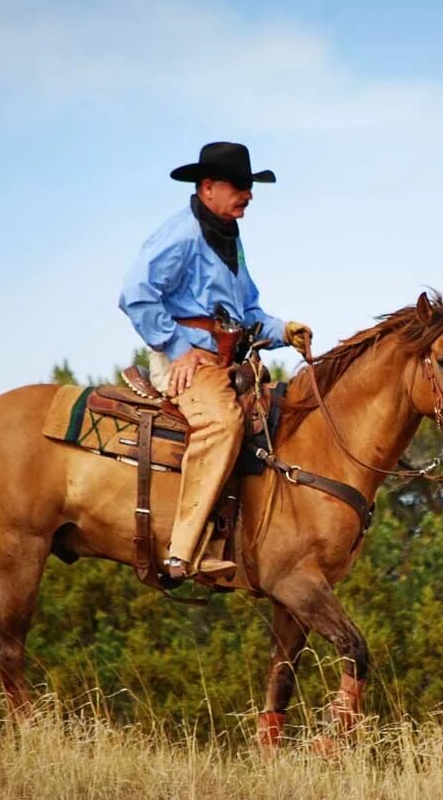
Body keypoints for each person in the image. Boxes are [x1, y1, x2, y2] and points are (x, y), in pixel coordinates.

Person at [119, 142, 312, 581]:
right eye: (240, 186)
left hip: (223, 362)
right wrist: (176, 347)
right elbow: (135, 293)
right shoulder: (182, 234)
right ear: (208, 187)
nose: (249, 195)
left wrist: (284, 332)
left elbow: (247, 315)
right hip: (188, 363)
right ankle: (182, 553)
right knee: (222, 424)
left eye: (250, 186)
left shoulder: (229, 237)